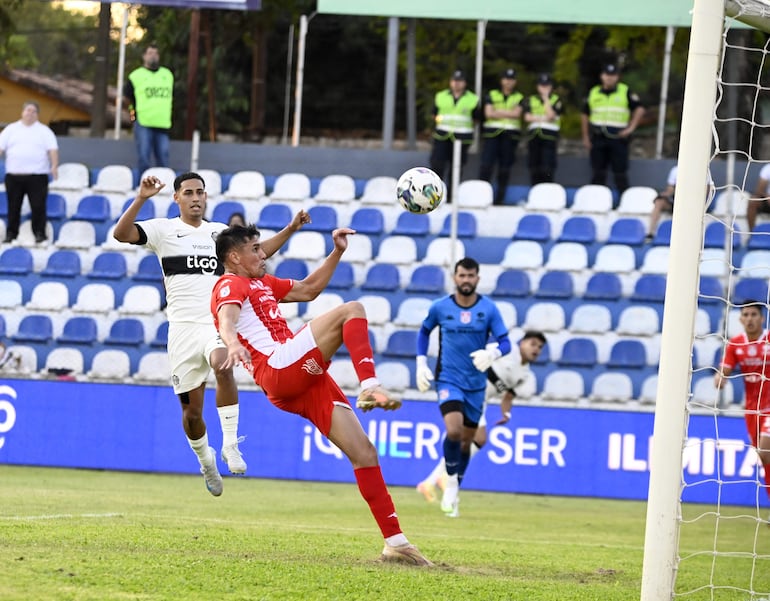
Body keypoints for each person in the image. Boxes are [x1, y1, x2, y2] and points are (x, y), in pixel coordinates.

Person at [211, 223, 432, 566]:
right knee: (352, 310)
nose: (263, 253)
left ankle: (396, 543)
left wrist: (338, 252)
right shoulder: (230, 283)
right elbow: (227, 317)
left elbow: (310, 289)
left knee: (365, 453)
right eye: (255, 249)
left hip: (299, 380)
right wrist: (232, 341)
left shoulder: (262, 283)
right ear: (233, 257)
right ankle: (369, 384)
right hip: (279, 367)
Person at [113, 172, 310, 497]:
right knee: (191, 413)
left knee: (223, 363)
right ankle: (206, 461)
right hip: (181, 330)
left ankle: (231, 444)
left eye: (200, 192)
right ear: (176, 198)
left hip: (215, 322)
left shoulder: (219, 233)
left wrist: (290, 229)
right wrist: (142, 198)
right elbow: (121, 234)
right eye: (188, 192)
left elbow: (257, 254)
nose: (195, 197)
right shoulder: (163, 230)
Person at [415, 257, 512, 517]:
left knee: (468, 442)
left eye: (471, 276)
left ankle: (454, 484)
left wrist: (493, 354)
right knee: (454, 430)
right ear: (455, 277)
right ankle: (449, 481)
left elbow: (506, 342)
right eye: (462, 275)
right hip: (448, 379)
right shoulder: (441, 307)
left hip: (476, 386)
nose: (466, 280)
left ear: (477, 278)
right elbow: (424, 332)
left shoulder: (489, 309)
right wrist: (421, 363)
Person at [416, 330, 546, 503]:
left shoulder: (525, 374)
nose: (536, 349)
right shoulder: (505, 350)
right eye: (533, 344)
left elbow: (508, 397)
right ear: (522, 343)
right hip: (466, 390)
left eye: (540, 347)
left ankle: (433, 480)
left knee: (471, 441)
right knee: (475, 438)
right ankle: (441, 478)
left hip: (480, 400)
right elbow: (476, 352)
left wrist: (506, 413)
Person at [714, 301, 770, 508]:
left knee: (766, 453)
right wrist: (720, 379)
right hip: (752, 410)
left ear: (762, 318)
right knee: (765, 461)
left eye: (754, 314)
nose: (750, 319)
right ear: (740, 319)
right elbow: (723, 373)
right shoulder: (736, 344)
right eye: (745, 315)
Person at [580, 64, 645, 195]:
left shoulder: (624, 91)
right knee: (598, 172)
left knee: (620, 172)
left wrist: (630, 128)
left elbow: (640, 108)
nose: (609, 78)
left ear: (617, 77)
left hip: (618, 137)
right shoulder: (593, 92)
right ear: (602, 76)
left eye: (613, 75)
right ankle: (596, 201)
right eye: (607, 75)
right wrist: (585, 136)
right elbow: (585, 114)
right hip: (598, 136)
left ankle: (625, 202)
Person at [0, 101, 58, 244]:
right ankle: (11, 234)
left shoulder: (44, 131)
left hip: (37, 176)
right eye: (28, 110)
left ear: (37, 114)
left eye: (33, 111)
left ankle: (39, 233)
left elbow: (53, 150)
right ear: (22, 112)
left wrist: (54, 166)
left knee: (38, 206)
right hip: (14, 176)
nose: (30, 114)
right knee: (13, 207)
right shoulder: (11, 130)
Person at [429, 70, 480, 200]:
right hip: (442, 135)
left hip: (462, 137)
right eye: (454, 81)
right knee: (437, 164)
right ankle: (434, 195)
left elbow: (476, 118)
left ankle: (452, 198)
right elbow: (434, 114)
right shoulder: (441, 96)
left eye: (460, 81)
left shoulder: (472, 99)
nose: (456, 84)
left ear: (465, 83)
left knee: (456, 168)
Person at [125, 43, 174, 175]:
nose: (153, 56)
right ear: (144, 56)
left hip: (162, 123)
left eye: (156, 53)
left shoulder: (167, 74)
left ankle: (163, 189)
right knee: (144, 158)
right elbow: (127, 99)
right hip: (143, 122)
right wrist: (133, 117)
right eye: (150, 53)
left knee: (163, 158)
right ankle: (143, 190)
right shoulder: (135, 76)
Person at [479, 68, 524, 205]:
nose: (508, 82)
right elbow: (488, 113)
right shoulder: (491, 95)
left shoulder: (519, 97)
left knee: (505, 168)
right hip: (492, 135)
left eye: (511, 79)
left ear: (515, 81)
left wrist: (497, 112)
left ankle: (499, 199)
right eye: (506, 79)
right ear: (501, 80)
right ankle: (481, 197)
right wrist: (508, 112)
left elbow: (517, 114)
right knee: (486, 166)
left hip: (510, 136)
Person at [646, 164, 714, 240]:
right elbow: (670, 189)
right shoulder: (676, 170)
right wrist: (664, 195)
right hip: (677, 201)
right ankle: (650, 233)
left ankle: (694, 237)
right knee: (659, 202)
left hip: (694, 202)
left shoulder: (704, 170)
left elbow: (707, 192)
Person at [523, 73, 563, 185]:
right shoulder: (530, 99)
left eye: (547, 85)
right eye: (542, 85)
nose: (544, 88)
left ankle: (547, 193)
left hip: (549, 137)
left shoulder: (556, 99)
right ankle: (534, 192)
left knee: (548, 167)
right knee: (534, 166)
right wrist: (543, 118)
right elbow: (527, 117)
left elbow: (551, 115)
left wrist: (546, 98)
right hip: (534, 136)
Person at [748, 163, 770, 232]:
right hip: (767, 199)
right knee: (753, 202)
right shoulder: (768, 168)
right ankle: (752, 233)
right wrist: (767, 197)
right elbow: (759, 190)